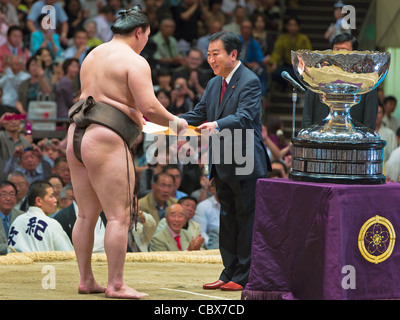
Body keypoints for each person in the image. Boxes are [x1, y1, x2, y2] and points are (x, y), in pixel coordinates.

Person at [65, 6, 187, 299]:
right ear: (139, 32)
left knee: (85, 216)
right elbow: (149, 107)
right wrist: (177, 122)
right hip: (106, 139)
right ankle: (116, 284)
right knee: (119, 216)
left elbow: (104, 96)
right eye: (146, 36)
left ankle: (86, 280)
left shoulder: (92, 54)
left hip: (76, 135)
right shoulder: (135, 60)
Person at [179, 31, 271, 291]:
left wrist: (216, 124)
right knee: (228, 217)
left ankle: (244, 276)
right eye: (208, 54)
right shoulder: (213, 83)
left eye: (215, 54)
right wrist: (170, 121)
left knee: (246, 219)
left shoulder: (250, 81)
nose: (210, 59)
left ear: (233, 54)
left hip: (246, 162)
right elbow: (199, 113)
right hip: (221, 160)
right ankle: (228, 271)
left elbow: (243, 117)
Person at [301, 33, 378, 130]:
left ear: (355, 54)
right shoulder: (317, 78)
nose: (339, 55)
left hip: (353, 141)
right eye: (336, 50)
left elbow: (369, 122)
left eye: (344, 51)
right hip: (321, 140)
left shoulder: (366, 83)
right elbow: (307, 118)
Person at [7, 180, 74, 252]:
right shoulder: (51, 224)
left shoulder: (17, 221)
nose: (55, 200)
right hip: (44, 263)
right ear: (39, 201)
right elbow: (68, 253)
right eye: (51, 196)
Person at [269, 16, 312, 91]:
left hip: (300, 67)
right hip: (286, 65)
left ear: (298, 27)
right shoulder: (282, 38)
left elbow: (308, 53)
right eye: (290, 25)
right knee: (277, 73)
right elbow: (277, 52)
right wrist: (274, 63)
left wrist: (306, 66)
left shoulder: (303, 39)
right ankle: (283, 88)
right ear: (287, 26)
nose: (292, 27)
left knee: (304, 76)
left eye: (295, 25)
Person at [192, 181, 220, 248]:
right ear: (213, 190)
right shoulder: (203, 206)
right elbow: (201, 232)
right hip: (210, 245)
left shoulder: (233, 205)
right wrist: (212, 246)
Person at [0, 180, 24, 254]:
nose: (8, 198)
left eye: (12, 194)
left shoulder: (22, 216)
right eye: (4, 194)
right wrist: (14, 248)